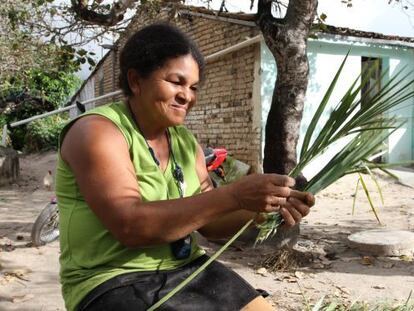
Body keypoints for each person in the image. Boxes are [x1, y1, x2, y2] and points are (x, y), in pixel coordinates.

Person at [55, 23, 315, 311]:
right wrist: (235, 195)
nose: (187, 96)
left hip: (185, 267)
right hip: (112, 279)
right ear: (135, 80)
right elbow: (130, 226)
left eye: (193, 87)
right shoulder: (97, 132)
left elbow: (209, 225)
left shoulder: (184, 142)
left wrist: (263, 209)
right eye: (176, 82)